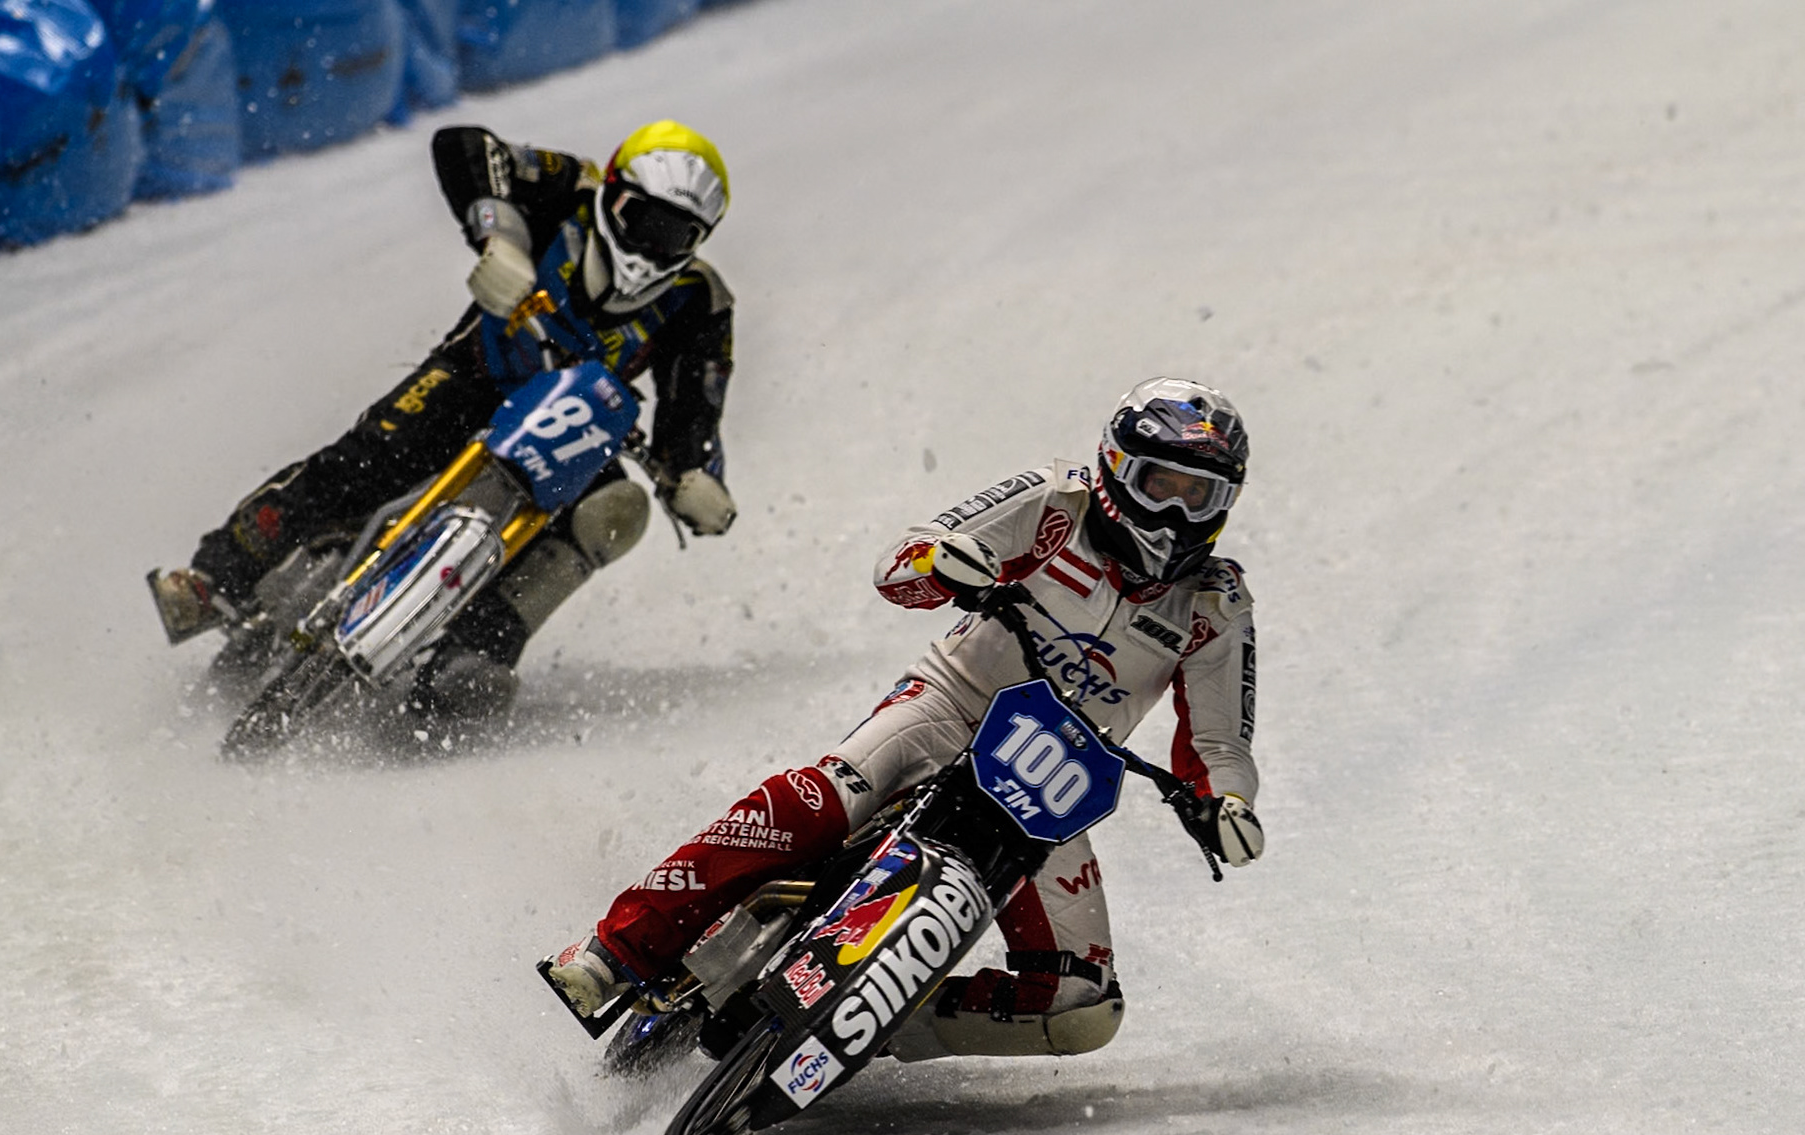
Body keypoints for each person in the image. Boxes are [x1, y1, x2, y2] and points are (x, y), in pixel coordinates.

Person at [545, 377, 1265, 1060]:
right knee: (816, 803)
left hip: (1051, 789)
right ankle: (610, 952)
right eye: (1160, 485)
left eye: (1198, 495)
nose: (1176, 514)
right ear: (1115, 470)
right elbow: (902, 561)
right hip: (950, 705)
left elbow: (1220, 743)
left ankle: (882, 1029)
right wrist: (945, 564)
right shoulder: (1053, 502)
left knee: (1081, 1007)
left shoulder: (1217, 605)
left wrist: (1227, 803)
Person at [149, 120, 740, 717]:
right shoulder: (568, 187)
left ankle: (477, 655)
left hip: (575, 432)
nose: (649, 247)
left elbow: (695, 409)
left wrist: (695, 475)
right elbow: (466, 146)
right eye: (642, 220)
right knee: (370, 455)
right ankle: (218, 577)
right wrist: (500, 238)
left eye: (675, 235)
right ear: (611, 192)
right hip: (476, 376)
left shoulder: (701, 302)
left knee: (616, 512)